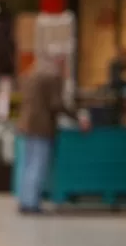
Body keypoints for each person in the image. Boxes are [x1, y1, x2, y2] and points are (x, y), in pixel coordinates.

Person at [17, 56, 86, 214]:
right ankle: (33, 203)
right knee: (38, 166)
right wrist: (77, 117)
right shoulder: (53, 78)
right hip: (42, 127)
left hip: (26, 125)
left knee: (27, 165)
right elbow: (56, 104)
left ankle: (25, 200)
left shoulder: (30, 76)